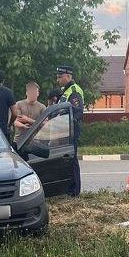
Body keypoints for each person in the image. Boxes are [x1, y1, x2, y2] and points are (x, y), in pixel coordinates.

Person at [55, 65, 84, 196]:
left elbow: (77, 112)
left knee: (71, 160)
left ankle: (74, 191)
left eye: (60, 77)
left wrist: (66, 126)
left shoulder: (74, 90)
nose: (58, 79)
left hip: (70, 131)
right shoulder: (65, 91)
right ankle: (67, 189)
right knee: (64, 161)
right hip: (62, 130)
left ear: (68, 76)